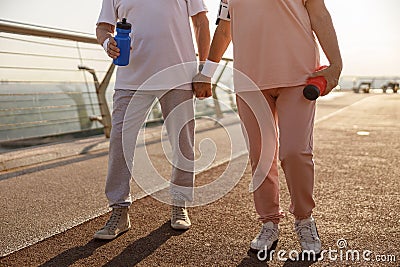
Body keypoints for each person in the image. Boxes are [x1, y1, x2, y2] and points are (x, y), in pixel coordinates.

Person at [193, 0, 342, 255]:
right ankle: (269, 222)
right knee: (261, 156)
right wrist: (207, 72)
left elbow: (319, 14)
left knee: (295, 152)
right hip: (249, 81)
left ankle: (304, 219)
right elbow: (225, 28)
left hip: (298, 76)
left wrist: (336, 65)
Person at [94, 0, 210, 240]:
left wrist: (204, 70)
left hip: (178, 75)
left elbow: (201, 22)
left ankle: (179, 203)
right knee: (120, 143)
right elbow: (103, 27)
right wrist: (108, 42)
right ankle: (119, 210)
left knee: (182, 143)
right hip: (131, 77)